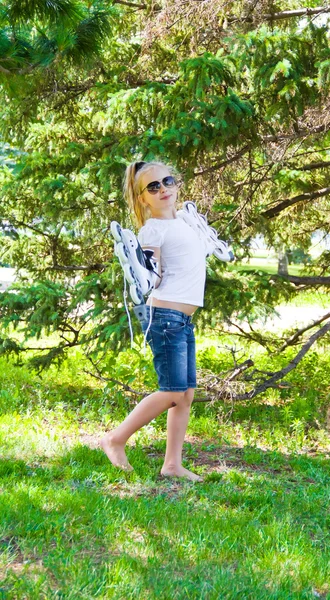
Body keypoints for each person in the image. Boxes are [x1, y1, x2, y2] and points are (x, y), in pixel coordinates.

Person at [100, 160, 207, 482]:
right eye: (153, 187)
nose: (162, 189)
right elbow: (152, 276)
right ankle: (115, 438)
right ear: (142, 198)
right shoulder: (152, 229)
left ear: (177, 184)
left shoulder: (186, 222)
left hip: (182, 320)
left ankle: (172, 465)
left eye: (167, 181)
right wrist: (145, 272)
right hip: (165, 318)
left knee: (185, 394)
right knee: (173, 392)